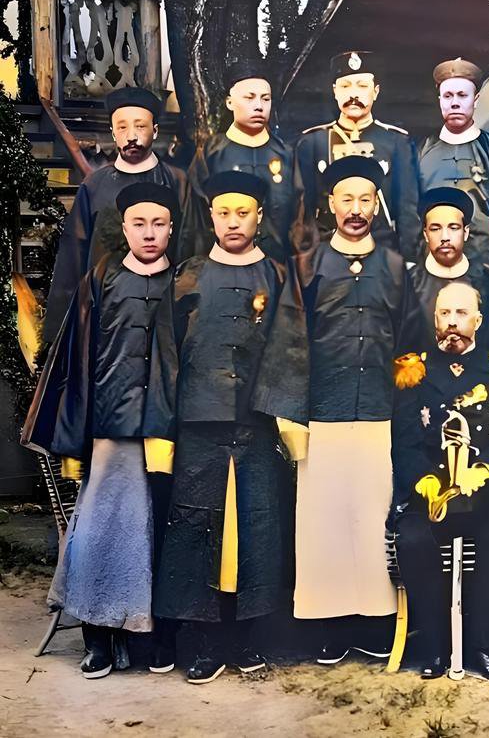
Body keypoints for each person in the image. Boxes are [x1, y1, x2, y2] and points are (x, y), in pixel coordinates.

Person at [151, 171, 308, 684]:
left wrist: (284, 419)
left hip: (257, 425)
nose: (233, 222)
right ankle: (204, 641)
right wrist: (164, 430)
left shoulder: (277, 276)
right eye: (224, 213)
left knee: (255, 531)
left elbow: (291, 347)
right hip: (200, 425)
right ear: (211, 216)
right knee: (197, 531)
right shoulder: (188, 276)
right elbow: (167, 355)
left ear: (259, 217)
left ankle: (247, 638)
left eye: (243, 213)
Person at [23, 182, 180, 679]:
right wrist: (78, 432)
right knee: (104, 531)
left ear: (171, 228)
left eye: (159, 224)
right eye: (139, 224)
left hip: (168, 429)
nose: (149, 234)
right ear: (124, 228)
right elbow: (77, 357)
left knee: (159, 533)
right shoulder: (102, 278)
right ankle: (97, 635)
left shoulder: (185, 281)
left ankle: (151, 637)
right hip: (111, 429)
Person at [279, 155, 417, 664]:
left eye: (365, 200)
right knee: (325, 520)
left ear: (376, 206)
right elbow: (291, 341)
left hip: (380, 410)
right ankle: (330, 626)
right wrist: (293, 413)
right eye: (347, 200)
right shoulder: (307, 266)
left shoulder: (396, 267)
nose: (356, 210)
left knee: (373, 515)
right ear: (330, 204)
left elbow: (407, 340)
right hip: (324, 411)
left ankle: (377, 622)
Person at [391, 281, 489, 681]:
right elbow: (404, 438)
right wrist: (423, 480)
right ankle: (434, 645)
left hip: (482, 490)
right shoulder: (414, 370)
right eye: (445, 314)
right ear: (435, 319)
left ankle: (484, 644)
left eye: (462, 313)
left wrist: (484, 470)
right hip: (431, 494)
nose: (452, 322)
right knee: (412, 539)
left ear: (478, 321)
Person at [42, 87, 189, 351]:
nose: (131, 136)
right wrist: (57, 335)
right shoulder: (94, 186)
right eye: (122, 127)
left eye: (140, 126)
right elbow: (73, 256)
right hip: (106, 316)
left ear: (155, 130)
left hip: (163, 313)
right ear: (112, 133)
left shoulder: (178, 182)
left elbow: (189, 247)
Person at [294, 51, 419, 259]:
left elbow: (408, 211)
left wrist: (408, 260)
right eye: (345, 86)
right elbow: (302, 211)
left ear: (375, 91)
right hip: (327, 254)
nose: (353, 94)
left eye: (362, 86)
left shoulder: (397, 142)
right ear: (335, 92)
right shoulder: (312, 143)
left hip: (382, 253)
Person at [186, 64, 301, 262]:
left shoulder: (287, 155)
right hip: (223, 266)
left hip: (277, 268)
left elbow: (301, 221)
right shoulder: (211, 154)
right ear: (230, 102)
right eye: (249, 98)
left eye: (265, 99)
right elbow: (196, 223)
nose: (259, 106)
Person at [412, 58, 489, 270]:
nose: (454, 103)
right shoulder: (420, 151)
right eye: (448, 96)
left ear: (476, 99)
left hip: (484, 266)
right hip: (431, 267)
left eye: (462, 95)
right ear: (440, 100)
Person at [407, 186, 489, 345]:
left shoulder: (487, 280)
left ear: (466, 232)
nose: (445, 237)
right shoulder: (410, 283)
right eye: (435, 229)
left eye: (453, 228)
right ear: (425, 234)